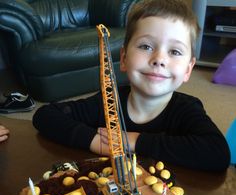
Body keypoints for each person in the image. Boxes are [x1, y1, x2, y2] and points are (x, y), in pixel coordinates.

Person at [32, 0, 230, 172]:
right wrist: (95, 141)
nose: (159, 59)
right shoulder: (108, 100)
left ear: (188, 70)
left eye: (175, 52)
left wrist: (131, 140)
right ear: (124, 58)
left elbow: (217, 153)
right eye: (146, 46)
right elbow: (45, 116)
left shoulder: (187, 110)